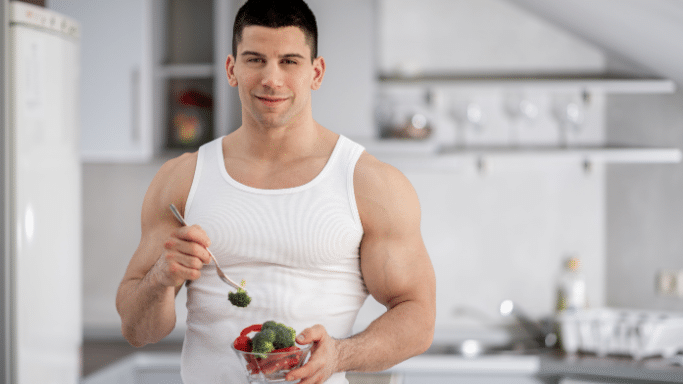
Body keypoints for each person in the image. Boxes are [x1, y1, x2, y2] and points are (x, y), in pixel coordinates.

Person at [115, 0, 436, 383]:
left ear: (316, 72)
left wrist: (340, 355)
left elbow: (418, 317)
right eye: (254, 60)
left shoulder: (370, 183)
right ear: (232, 69)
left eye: (289, 61)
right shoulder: (182, 179)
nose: (271, 78)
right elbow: (138, 331)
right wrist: (160, 280)